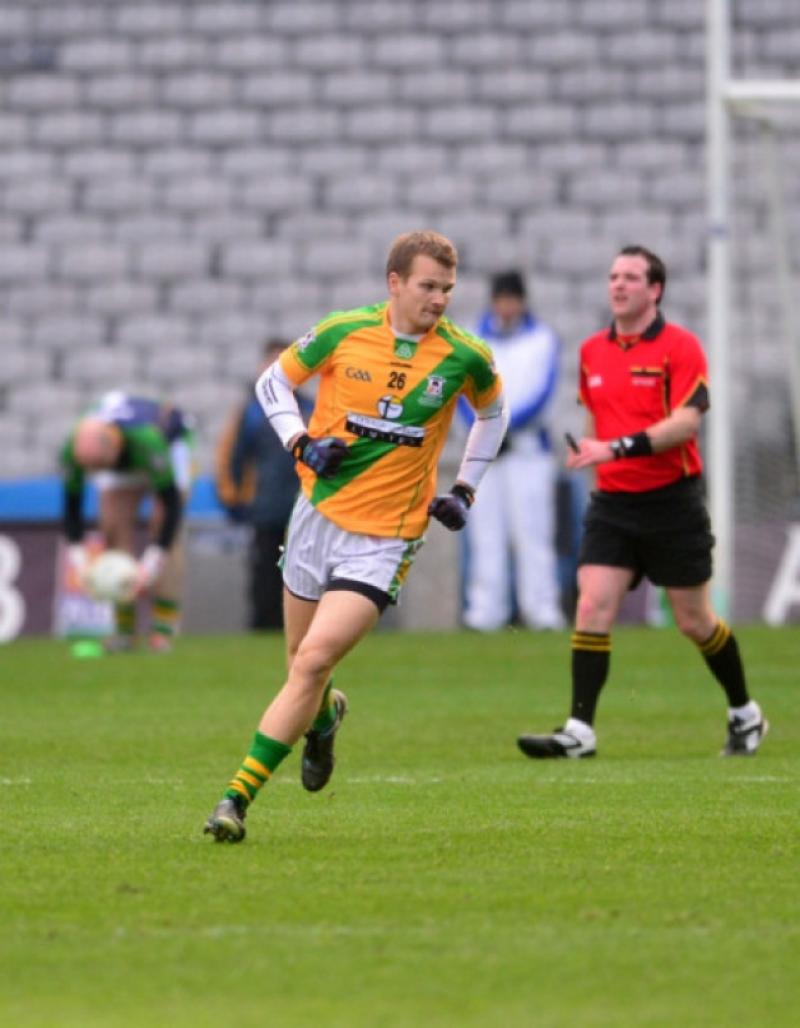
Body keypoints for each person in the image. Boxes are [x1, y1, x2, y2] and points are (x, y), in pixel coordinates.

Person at [204, 229, 508, 842]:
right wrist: (301, 442)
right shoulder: (344, 330)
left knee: (314, 659)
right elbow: (273, 383)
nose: (440, 299)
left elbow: (494, 413)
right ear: (394, 283)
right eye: (428, 286)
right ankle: (323, 723)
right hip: (317, 517)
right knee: (301, 666)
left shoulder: (464, 355)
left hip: (387, 537)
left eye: (447, 288)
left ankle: (235, 799)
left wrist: (466, 488)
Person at [517, 245, 768, 759]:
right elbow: (594, 423)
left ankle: (745, 712)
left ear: (655, 289)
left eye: (631, 277)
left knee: (694, 621)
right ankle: (579, 731)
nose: (618, 285)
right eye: (613, 276)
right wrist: (595, 460)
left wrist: (618, 447)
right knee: (591, 604)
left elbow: (686, 423)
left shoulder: (681, 347)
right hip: (613, 503)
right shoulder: (592, 351)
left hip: (672, 503)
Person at [460, 270, 564, 630]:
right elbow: (461, 391)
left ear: (521, 302)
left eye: (512, 300)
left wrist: (503, 426)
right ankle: (485, 612)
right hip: (486, 454)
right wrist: (484, 430)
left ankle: (541, 610)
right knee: (486, 532)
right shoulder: (473, 339)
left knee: (533, 532)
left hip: (527, 451)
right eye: (501, 299)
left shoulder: (542, 339)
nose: (506, 307)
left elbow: (543, 395)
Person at [61, 391, 195, 652]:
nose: (96, 474)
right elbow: (72, 507)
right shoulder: (74, 448)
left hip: (171, 443)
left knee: (164, 528)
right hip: (121, 449)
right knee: (112, 527)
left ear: (114, 448)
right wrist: (80, 561)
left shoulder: (148, 440)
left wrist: (152, 562)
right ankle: (124, 631)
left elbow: (171, 507)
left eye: (101, 466)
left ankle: (162, 631)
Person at [215, 340, 312, 630]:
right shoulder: (250, 412)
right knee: (264, 571)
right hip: (264, 506)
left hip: (304, 505)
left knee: (302, 570)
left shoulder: (311, 408)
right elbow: (230, 456)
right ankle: (263, 627)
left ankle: (300, 627)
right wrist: (233, 499)